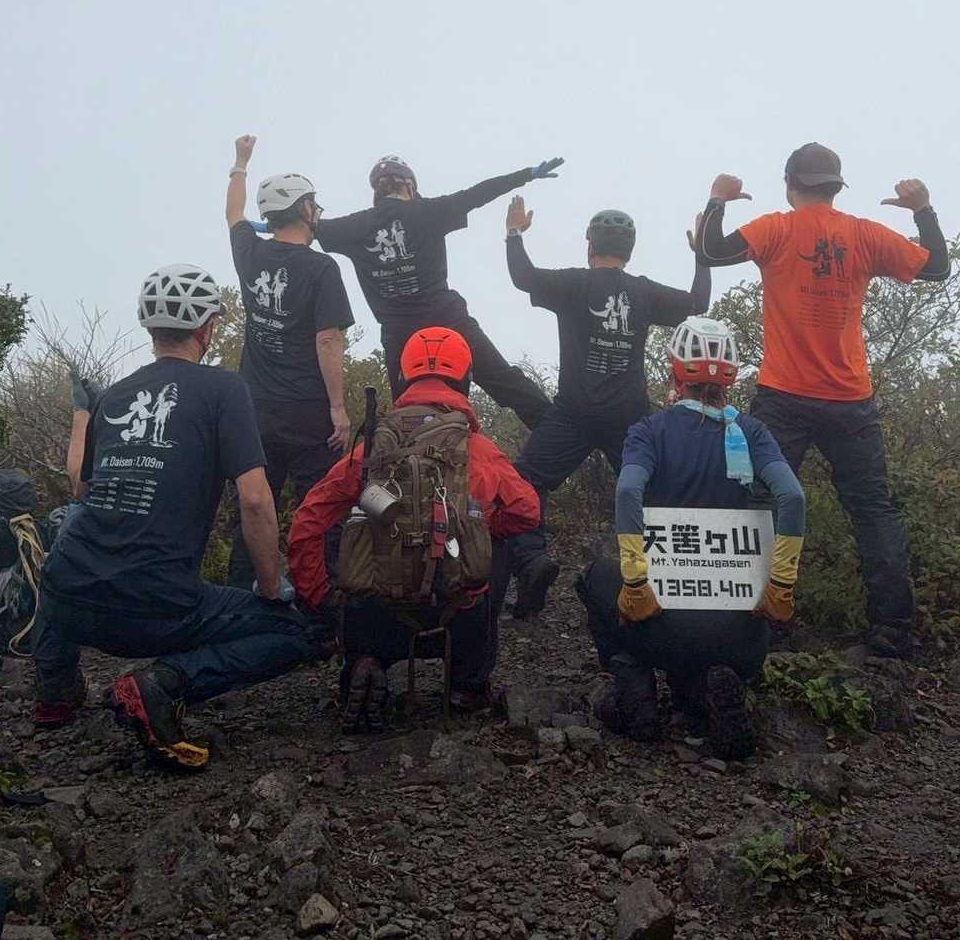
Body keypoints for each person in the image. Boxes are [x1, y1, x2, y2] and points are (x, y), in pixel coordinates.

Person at [31, 264, 318, 769]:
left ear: (149, 326)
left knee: (67, 552)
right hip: (155, 609)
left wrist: (83, 414)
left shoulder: (115, 394)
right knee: (297, 633)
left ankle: (55, 694)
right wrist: (272, 588)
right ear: (208, 328)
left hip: (67, 602)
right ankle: (164, 684)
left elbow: (82, 489)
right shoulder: (224, 389)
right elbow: (255, 499)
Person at [695, 143, 950, 657]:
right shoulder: (865, 235)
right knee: (873, 511)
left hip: (783, 397)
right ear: (835, 187)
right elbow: (937, 268)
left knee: (760, 502)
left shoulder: (776, 229)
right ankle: (892, 632)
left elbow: (710, 252)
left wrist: (718, 199)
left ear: (790, 185)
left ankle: (758, 622)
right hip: (851, 399)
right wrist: (923, 209)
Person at [576, 316, 806, 760]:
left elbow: (627, 492)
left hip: (662, 624)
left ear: (675, 371)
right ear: (731, 375)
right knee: (708, 654)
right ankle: (703, 690)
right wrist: (780, 584)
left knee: (595, 577)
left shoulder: (650, 431)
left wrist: (636, 582)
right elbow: (792, 497)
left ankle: (633, 681)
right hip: (744, 637)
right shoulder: (753, 433)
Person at [288, 327, 539, 727]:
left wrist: (324, 598)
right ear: (465, 381)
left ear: (403, 378)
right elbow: (527, 511)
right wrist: (476, 523)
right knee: (495, 543)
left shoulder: (371, 450)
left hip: (378, 616)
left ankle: (365, 659)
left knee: (352, 538)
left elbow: (307, 522)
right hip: (454, 613)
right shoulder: (478, 449)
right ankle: (467, 684)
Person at [503, 200, 713, 618]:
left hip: (572, 414)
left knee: (523, 483)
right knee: (658, 492)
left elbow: (523, 277)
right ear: (629, 251)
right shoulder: (643, 291)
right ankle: (671, 586)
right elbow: (697, 303)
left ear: (590, 245)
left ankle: (531, 561)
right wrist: (702, 257)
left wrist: (514, 234)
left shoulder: (573, 284)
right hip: (629, 418)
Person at [315, 154, 564, 428]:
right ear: (409, 186)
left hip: (400, 336)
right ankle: (558, 433)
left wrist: (275, 219)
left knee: (407, 411)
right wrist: (527, 174)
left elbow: (301, 225)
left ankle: (408, 451)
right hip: (450, 323)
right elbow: (477, 193)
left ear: (377, 191)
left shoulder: (352, 227)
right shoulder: (428, 211)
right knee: (505, 382)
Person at [225, 135, 356, 588]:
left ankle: (242, 599)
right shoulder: (321, 268)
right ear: (303, 209)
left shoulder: (249, 251)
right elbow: (328, 339)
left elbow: (234, 214)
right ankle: (321, 599)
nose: (317, 211)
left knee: (252, 507)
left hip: (254, 411)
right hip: (308, 414)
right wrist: (338, 408)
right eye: (313, 203)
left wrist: (240, 162)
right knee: (320, 510)